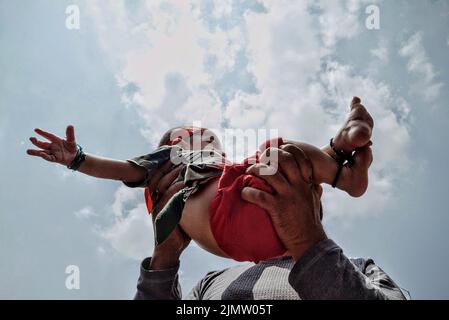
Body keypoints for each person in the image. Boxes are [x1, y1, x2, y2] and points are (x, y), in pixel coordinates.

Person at [26, 98, 373, 264]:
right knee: (279, 151)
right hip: (232, 221)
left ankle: (341, 164)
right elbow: (123, 169)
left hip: (258, 235)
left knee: (281, 156)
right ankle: (339, 164)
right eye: (198, 136)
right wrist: (78, 159)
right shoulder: (173, 162)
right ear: (174, 145)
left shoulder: (229, 171)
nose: (208, 141)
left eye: (211, 138)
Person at [134, 142, 406, 300]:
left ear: (313, 202)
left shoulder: (360, 270)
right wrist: (164, 256)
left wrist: (307, 241)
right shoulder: (210, 283)